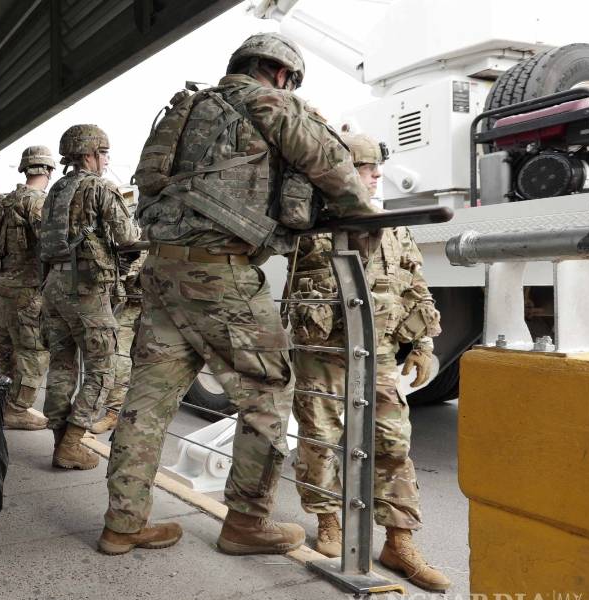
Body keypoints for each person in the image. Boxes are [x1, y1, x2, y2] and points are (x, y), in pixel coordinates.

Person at [99, 33, 377, 556]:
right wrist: (364, 221)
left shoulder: (183, 110)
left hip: (161, 273)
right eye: (289, 81)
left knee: (147, 404)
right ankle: (246, 523)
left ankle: (123, 523)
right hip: (220, 274)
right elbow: (329, 161)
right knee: (269, 393)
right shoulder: (267, 101)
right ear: (279, 73)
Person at [289, 130, 448, 590]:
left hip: (378, 352)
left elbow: (414, 283)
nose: (376, 174)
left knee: (393, 442)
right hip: (325, 351)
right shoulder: (312, 223)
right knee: (321, 437)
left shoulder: (395, 224)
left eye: (377, 166)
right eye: (364, 166)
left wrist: (423, 343)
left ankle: (398, 541)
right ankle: (329, 521)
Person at [39, 125, 140, 470]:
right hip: (85, 288)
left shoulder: (55, 191)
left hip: (53, 284)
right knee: (103, 367)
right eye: (104, 153)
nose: (106, 160)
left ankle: (59, 442)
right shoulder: (99, 187)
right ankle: (71, 444)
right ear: (89, 154)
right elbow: (127, 238)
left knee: (62, 364)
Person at [0, 146, 55, 430]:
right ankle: (17, 408)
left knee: (2, 347)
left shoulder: (1, 202)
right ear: (49, 170)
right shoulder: (38, 202)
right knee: (34, 351)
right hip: (27, 289)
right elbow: (51, 244)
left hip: (0, 287)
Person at [91, 244, 146, 436]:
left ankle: (116, 414)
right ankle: (111, 412)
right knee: (115, 357)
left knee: (128, 362)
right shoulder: (141, 235)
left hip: (151, 310)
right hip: (129, 308)